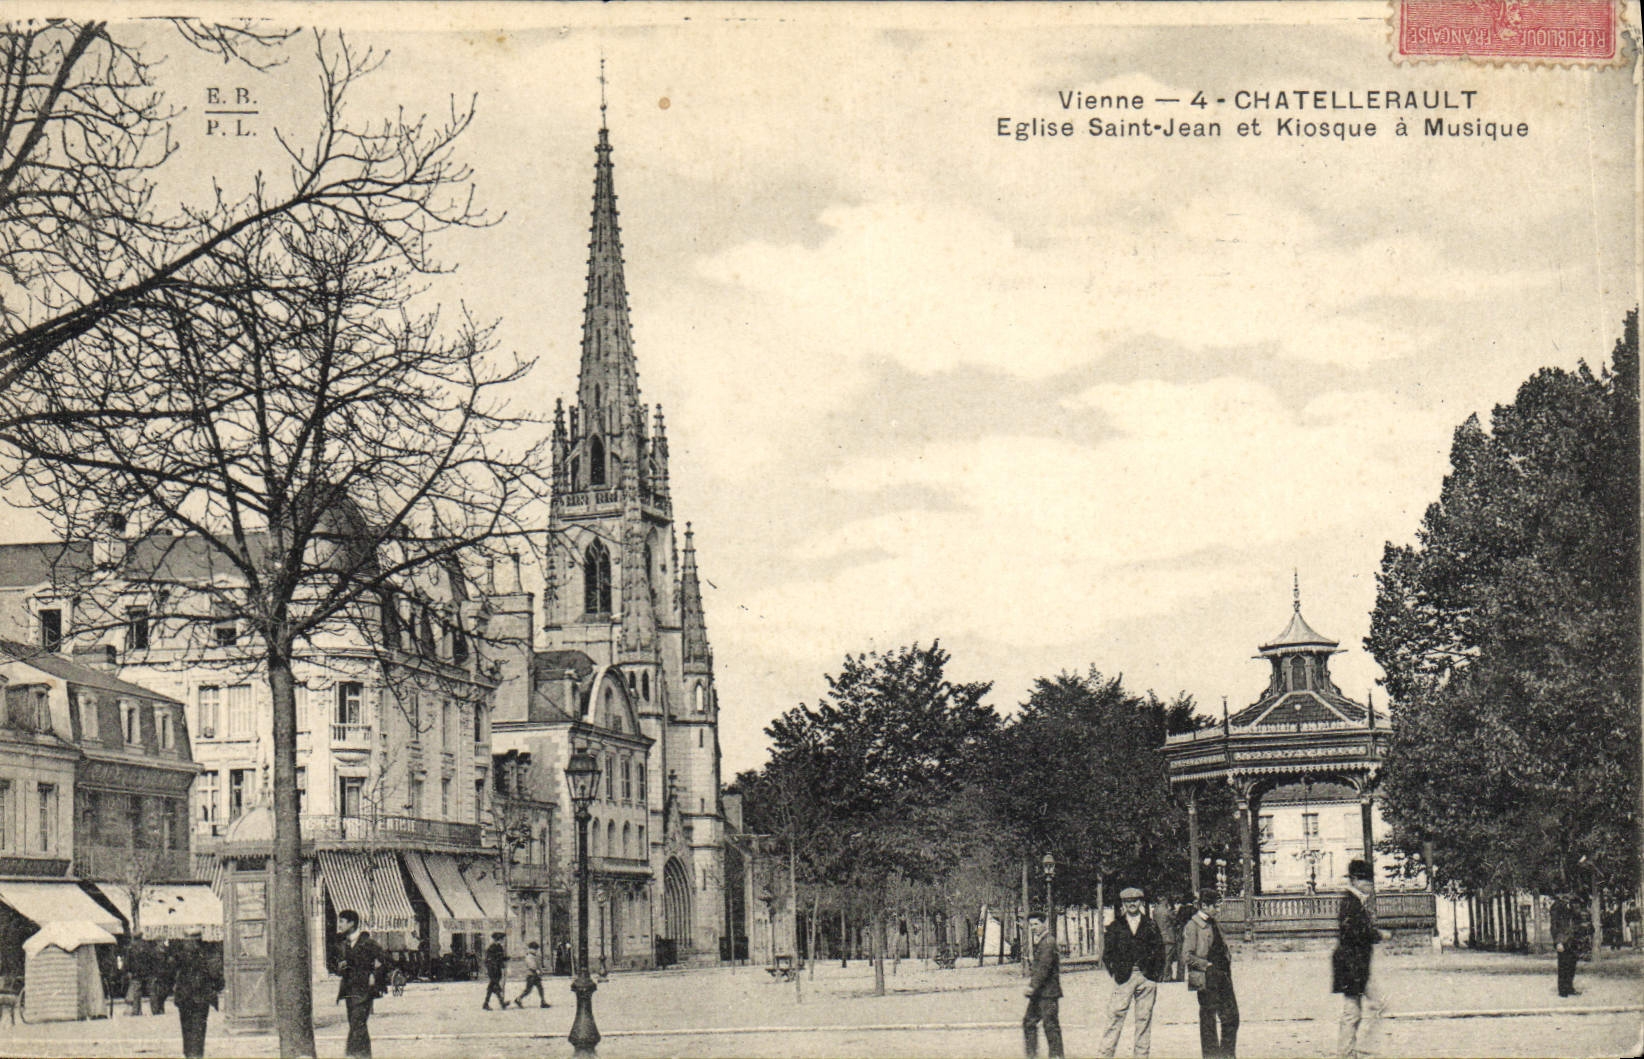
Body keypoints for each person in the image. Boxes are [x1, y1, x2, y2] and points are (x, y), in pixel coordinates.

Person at [1100, 886, 1166, 1057]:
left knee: (1144, 1020)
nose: (1132, 904)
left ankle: (1141, 1055)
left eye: (1135, 901)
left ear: (1141, 902)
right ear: (1123, 904)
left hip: (1146, 977)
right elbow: (1107, 953)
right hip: (1124, 978)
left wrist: (1154, 976)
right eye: (1128, 901)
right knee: (1115, 1017)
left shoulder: (1150, 924)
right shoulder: (1116, 926)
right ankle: (1105, 1054)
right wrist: (1115, 972)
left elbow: (1160, 950)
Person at [1332, 859, 1383, 1059]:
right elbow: (1354, 933)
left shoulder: (1354, 902)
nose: (1369, 884)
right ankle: (1348, 1053)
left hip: (1355, 964)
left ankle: (1351, 1051)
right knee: (1355, 1011)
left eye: (1370, 880)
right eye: (1364, 880)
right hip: (1352, 965)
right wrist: (1377, 934)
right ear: (1353, 880)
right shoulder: (1351, 903)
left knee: (1363, 1008)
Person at [1182, 888, 1239, 1058]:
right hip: (1207, 977)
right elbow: (1186, 956)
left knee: (1231, 1016)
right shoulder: (1193, 926)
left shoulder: (1215, 923)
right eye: (1215, 906)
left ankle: (1227, 1054)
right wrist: (1206, 965)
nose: (1218, 910)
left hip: (1223, 975)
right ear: (1204, 906)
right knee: (1208, 1019)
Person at [335, 909, 389, 1059]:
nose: (339, 925)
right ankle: (363, 1055)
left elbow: (385, 961)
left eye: (342, 921)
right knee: (356, 1024)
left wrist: (374, 975)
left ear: (351, 923)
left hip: (364, 989)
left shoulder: (368, 943)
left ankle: (353, 1055)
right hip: (349, 990)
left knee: (357, 1023)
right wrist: (340, 967)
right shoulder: (343, 944)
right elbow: (338, 967)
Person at [170, 926, 223, 1059]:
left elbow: (169, 973)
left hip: (184, 997)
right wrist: (216, 987)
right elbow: (216, 976)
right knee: (199, 1027)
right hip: (201, 998)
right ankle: (197, 1054)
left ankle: (189, 1053)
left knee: (186, 1027)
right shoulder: (208, 954)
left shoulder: (179, 955)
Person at [1022, 912, 1063, 1059]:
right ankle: (1032, 1055)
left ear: (1044, 924)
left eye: (1036, 924)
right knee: (1029, 1022)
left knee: (1050, 1026)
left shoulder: (1048, 942)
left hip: (1048, 993)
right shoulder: (1042, 941)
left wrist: (1032, 986)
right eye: (1031, 925)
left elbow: (1043, 968)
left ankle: (1056, 1056)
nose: (1033, 927)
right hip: (1040, 993)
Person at [1551, 893, 1583, 998]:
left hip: (1572, 940)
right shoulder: (1557, 907)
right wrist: (1558, 942)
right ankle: (1562, 990)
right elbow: (1554, 926)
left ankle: (1569, 987)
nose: (1568, 896)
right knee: (1563, 966)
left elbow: (1577, 921)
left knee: (1572, 965)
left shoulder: (1573, 905)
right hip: (1562, 940)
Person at [513, 940, 550, 1008]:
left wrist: (541, 971)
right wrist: (537, 970)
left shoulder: (535, 956)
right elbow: (532, 966)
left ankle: (543, 1002)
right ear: (530, 949)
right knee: (528, 990)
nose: (535, 951)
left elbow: (538, 965)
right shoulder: (529, 956)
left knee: (540, 988)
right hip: (531, 975)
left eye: (536, 949)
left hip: (535, 975)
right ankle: (518, 999)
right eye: (534, 949)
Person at [482, 932, 509, 1010]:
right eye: (502, 939)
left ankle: (489, 1003)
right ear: (498, 939)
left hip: (497, 969)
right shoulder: (492, 948)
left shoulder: (499, 947)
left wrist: (505, 959)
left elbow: (500, 958)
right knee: (494, 985)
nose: (503, 941)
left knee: (493, 986)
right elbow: (489, 960)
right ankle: (499, 1003)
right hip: (493, 969)